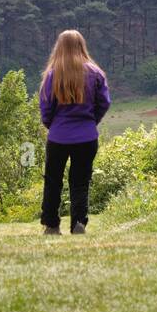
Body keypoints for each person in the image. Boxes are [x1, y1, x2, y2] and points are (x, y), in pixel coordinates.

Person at [38, 29, 111, 235]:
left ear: (59, 47)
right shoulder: (95, 73)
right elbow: (104, 103)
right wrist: (90, 121)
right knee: (80, 182)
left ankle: (51, 225)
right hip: (86, 136)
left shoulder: (53, 74)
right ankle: (79, 223)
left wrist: (53, 126)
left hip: (58, 136)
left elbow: (45, 107)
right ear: (82, 45)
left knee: (53, 181)